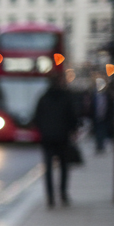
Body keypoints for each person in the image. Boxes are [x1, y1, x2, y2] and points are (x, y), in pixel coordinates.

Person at [33, 73, 79, 208]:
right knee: (64, 167)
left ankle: (50, 197)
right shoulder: (66, 97)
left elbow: (37, 118)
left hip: (47, 138)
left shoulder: (43, 98)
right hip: (63, 137)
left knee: (48, 169)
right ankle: (63, 193)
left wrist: (43, 130)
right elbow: (72, 117)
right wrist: (72, 131)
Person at [92, 79, 114, 155]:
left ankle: (101, 145)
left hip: (105, 116)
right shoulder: (94, 95)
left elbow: (110, 106)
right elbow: (92, 106)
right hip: (97, 116)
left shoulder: (107, 95)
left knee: (103, 131)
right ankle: (99, 146)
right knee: (98, 132)